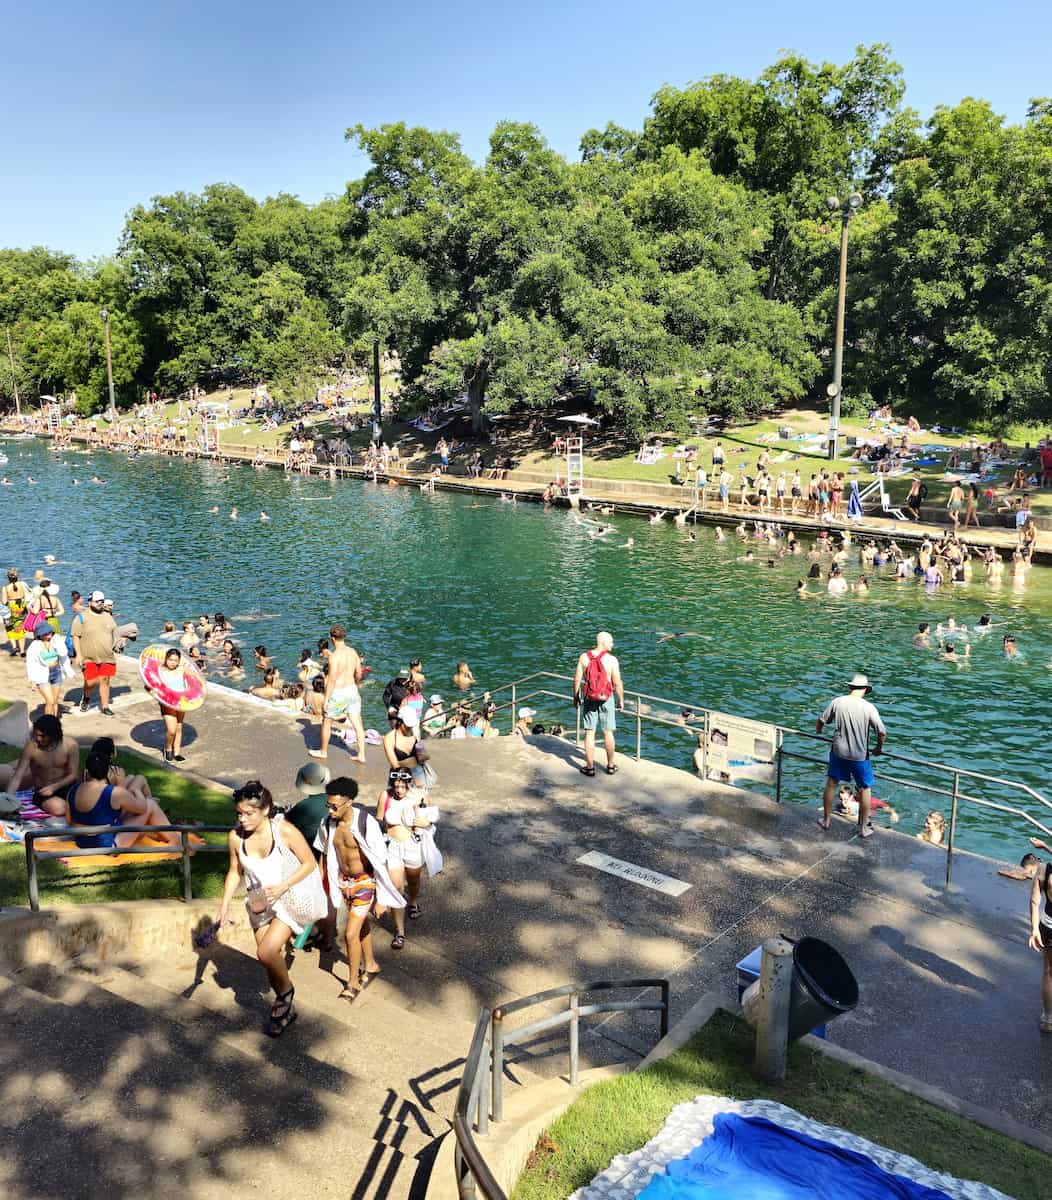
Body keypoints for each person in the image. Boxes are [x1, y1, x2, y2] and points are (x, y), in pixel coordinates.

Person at [217, 780, 320, 1036]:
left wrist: (284, 886)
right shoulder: (235, 837)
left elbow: (309, 863)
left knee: (266, 952)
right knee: (269, 960)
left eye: (248, 813)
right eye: (239, 813)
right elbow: (234, 872)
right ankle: (285, 1007)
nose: (242, 819)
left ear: (265, 809)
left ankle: (286, 994)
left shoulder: (284, 830)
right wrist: (224, 905)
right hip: (259, 902)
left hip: (288, 898)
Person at [314, 777, 405, 1003]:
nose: (330, 810)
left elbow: (381, 860)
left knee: (350, 933)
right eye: (328, 805)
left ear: (349, 802)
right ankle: (371, 965)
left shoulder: (366, 823)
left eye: (334, 806)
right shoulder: (327, 824)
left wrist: (381, 899)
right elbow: (324, 855)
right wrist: (319, 884)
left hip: (365, 883)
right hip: (343, 882)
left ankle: (352, 982)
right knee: (360, 925)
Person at [816, 674, 887, 838]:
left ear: (850, 687)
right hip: (859, 756)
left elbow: (821, 720)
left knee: (831, 784)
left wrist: (819, 732)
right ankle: (863, 828)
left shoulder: (838, 702)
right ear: (865, 689)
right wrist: (878, 748)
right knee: (865, 789)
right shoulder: (869, 707)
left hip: (838, 752)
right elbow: (882, 732)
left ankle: (826, 820)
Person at [376, 768, 440, 949]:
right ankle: (400, 932)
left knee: (413, 880)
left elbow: (430, 818)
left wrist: (426, 822)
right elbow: (379, 819)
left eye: (402, 787)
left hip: (413, 845)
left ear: (409, 783)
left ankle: (412, 901)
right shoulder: (385, 796)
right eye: (396, 786)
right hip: (392, 846)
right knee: (396, 888)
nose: (399, 790)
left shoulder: (420, 796)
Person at [67, 749, 180, 848]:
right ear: (107, 771)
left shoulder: (73, 790)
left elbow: (69, 820)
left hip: (82, 841)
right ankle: (175, 840)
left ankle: (165, 832)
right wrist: (136, 790)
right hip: (108, 844)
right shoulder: (114, 792)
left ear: (87, 771)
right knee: (150, 804)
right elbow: (143, 808)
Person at [0, 714, 81, 816]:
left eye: (42, 736)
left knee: (85, 804)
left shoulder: (70, 745)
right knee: (59, 808)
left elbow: (73, 775)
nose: (38, 739)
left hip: (65, 787)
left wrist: (54, 787)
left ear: (54, 735)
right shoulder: (31, 747)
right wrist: (8, 798)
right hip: (43, 792)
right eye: (36, 735)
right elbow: (17, 777)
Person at [309, 624, 366, 764]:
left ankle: (323, 752)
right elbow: (359, 672)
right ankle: (361, 755)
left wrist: (326, 700)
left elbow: (332, 680)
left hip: (339, 693)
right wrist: (355, 682)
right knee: (358, 723)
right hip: (352, 690)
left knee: (327, 721)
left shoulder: (334, 657)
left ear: (332, 638)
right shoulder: (352, 652)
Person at [573, 632, 625, 777]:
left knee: (590, 732)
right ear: (603, 642)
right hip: (606, 698)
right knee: (608, 731)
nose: (612, 644)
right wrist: (621, 699)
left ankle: (590, 767)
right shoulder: (612, 660)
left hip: (589, 697)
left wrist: (575, 697)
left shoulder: (584, 657)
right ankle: (610, 766)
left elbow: (577, 680)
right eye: (611, 642)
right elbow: (617, 682)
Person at [144, 647, 195, 762]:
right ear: (166, 658)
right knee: (171, 730)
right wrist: (152, 692)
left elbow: (197, 678)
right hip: (166, 702)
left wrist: (198, 692)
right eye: (171, 659)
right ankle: (168, 749)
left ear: (179, 661)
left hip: (181, 702)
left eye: (176, 660)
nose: (173, 662)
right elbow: (148, 684)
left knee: (179, 727)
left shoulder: (182, 669)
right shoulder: (160, 670)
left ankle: (176, 753)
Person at [72, 590, 118, 715]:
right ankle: (86, 697)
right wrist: (78, 654)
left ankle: (105, 706)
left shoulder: (108, 616)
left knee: (105, 680)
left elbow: (115, 632)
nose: (100, 603)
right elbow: (75, 636)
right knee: (91, 681)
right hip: (88, 656)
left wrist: (121, 640)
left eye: (102, 601)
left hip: (107, 655)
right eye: (97, 601)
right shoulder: (81, 617)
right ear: (89, 602)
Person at [25, 623, 74, 716]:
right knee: (50, 701)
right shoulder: (34, 646)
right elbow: (30, 663)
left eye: (50, 632)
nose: (49, 635)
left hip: (56, 672)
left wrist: (57, 639)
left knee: (54, 701)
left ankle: (53, 722)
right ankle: (48, 722)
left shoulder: (55, 641)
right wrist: (32, 681)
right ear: (40, 634)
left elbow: (64, 653)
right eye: (46, 633)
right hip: (42, 675)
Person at [383, 705, 429, 789]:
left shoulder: (414, 733)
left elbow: (423, 757)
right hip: (399, 775)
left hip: (418, 772)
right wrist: (414, 778)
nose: (410, 728)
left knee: (422, 796)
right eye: (408, 726)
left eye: (411, 726)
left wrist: (422, 754)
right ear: (400, 722)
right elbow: (395, 765)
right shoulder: (389, 738)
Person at [2, 568, 30, 658]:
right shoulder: (22, 585)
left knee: (9, 627)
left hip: (11, 607)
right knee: (20, 628)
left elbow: (4, 601)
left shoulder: (5, 588)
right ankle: (22, 651)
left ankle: (14, 647)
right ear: (18, 576)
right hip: (21, 607)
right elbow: (28, 595)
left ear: (8, 577)